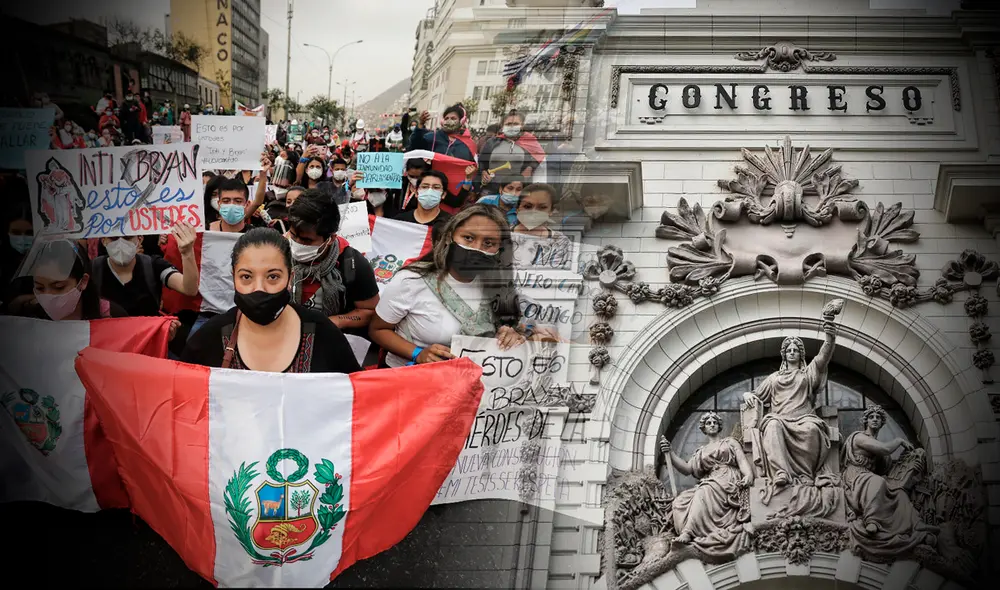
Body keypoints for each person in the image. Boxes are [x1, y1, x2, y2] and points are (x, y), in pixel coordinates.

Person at [181, 228, 361, 374]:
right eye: (246, 277)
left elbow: (357, 397)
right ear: (233, 277)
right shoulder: (209, 338)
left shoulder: (323, 333)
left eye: (273, 276)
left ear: (290, 279)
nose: (259, 288)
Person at [369, 204, 524, 368]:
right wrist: (418, 354)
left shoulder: (499, 286)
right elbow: (378, 330)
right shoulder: (411, 280)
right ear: (450, 236)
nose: (477, 249)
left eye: (488, 243)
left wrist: (511, 335)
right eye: (468, 238)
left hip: (469, 384)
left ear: (499, 249)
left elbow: (509, 325)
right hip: (413, 380)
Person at [841, 405, 938, 558]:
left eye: (878, 418)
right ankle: (871, 520)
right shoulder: (859, 437)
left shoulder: (878, 447)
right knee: (877, 482)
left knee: (899, 493)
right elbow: (885, 449)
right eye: (871, 417)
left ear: (882, 422)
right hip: (856, 476)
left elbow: (890, 472)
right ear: (866, 421)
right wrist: (899, 440)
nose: (874, 420)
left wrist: (912, 467)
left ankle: (917, 525)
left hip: (870, 478)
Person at [286, 192, 380, 337]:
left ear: (330, 238)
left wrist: (331, 322)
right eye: (293, 236)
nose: (297, 244)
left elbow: (369, 311)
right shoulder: (278, 252)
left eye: (307, 241)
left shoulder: (353, 264)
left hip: (331, 340)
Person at [659, 413, 754, 555]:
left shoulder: (730, 442)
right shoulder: (701, 451)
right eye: (708, 422)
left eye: (714, 422)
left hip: (727, 479)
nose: (712, 424)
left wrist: (748, 475)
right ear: (704, 428)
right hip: (711, 481)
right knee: (680, 501)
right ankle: (697, 529)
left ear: (719, 425)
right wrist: (671, 453)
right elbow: (687, 469)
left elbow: (741, 461)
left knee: (704, 490)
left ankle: (688, 532)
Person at [93, 223, 198, 318]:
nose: (121, 243)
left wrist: (187, 252)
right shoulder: (92, 269)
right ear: (104, 241)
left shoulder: (153, 265)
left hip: (148, 337)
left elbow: (189, 289)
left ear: (139, 239)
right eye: (114, 238)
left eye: (127, 237)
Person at [7, 239, 127, 320]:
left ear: (83, 281)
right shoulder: (27, 319)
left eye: (59, 287)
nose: (48, 296)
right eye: (40, 288)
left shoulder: (113, 316)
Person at [479, 110, 546, 195]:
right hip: (490, 189)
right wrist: (483, 172)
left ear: (522, 126)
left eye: (515, 124)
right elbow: (482, 163)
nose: (511, 127)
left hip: (514, 192)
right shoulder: (492, 142)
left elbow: (539, 158)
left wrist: (530, 167)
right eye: (508, 124)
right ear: (502, 126)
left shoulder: (530, 142)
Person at [510, 183, 573, 269]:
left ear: (551, 211)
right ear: (517, 209)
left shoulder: (561, 243)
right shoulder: (499, 235)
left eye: (542, 207)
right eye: (527, 206)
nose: (534, 212)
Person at [393, 170, 452, 242]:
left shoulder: (450, 223)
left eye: (436, 188)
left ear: (443, 194)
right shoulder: (399, 221)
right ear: (416, 192)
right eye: (425, 187)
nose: (429, 191)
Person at [408, 103, 477, 162]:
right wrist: (421, 124)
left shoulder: (469, 144)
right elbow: (415, 146)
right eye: (446, 118)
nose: (449, 121)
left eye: (453, 118)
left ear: (462, 121)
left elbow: (473, 165)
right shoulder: (433, 137)